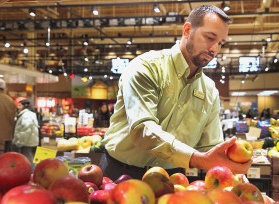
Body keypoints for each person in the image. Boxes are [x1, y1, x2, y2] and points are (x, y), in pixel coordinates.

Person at [100, 5, 252, 180]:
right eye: (210, 38)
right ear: (187, 30)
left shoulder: (209, 91)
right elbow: (143, 130)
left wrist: (232, 172)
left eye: (220, 43)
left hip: (173, 177)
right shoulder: (147, 67)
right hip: (120, 173)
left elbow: (210, 147)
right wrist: (198, 159)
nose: (214, 49)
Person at [12, 98, 39, 167]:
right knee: (27, 158)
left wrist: (20, 142)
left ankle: (32, 173)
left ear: (25, 106)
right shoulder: (26, 114)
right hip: (28, 141)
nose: (18, 107)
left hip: (26, 142)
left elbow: (26, 130)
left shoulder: (26, 115)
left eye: (20, 105)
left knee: (28, 159)